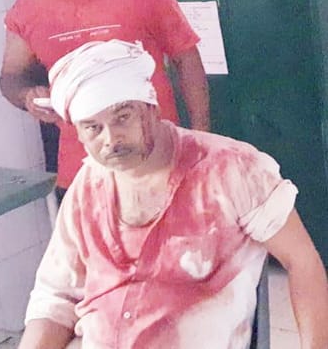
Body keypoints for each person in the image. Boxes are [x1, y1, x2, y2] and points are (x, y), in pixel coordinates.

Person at [18, 39, 328, 349]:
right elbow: (55, 297)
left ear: (151, 109)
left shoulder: (232, 169)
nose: (111, 139)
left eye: (123, 117)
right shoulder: (87, 187)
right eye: (93, 128)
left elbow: (303, 262)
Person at [0, 0, 209, 202]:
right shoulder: (27, 10)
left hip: (159, 162)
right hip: (82, 174)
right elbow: (11, 77)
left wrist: (201, 139)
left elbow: (187, 60)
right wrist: (26, 96)